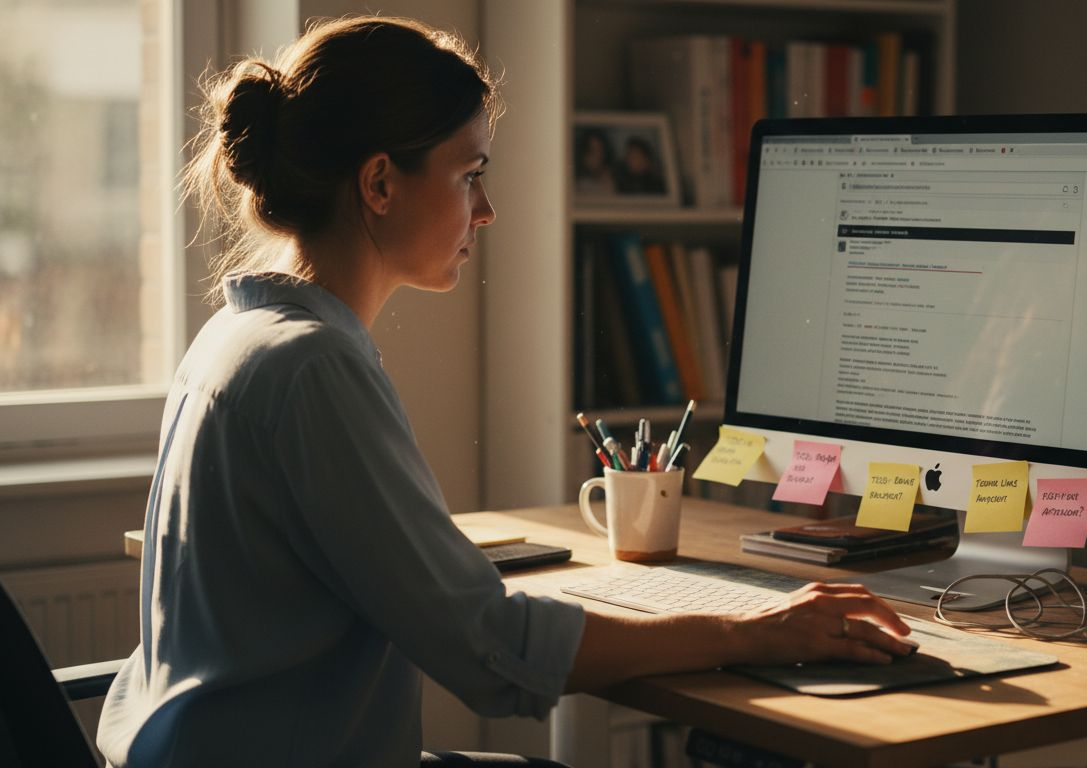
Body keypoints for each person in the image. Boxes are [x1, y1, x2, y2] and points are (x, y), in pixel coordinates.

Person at [96, 16, 916, 768]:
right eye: (468, 175)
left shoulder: (238, 334)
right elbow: (488, 648)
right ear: (379, 184)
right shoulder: (313, 367)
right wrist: (752, 631)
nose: (485, 211)